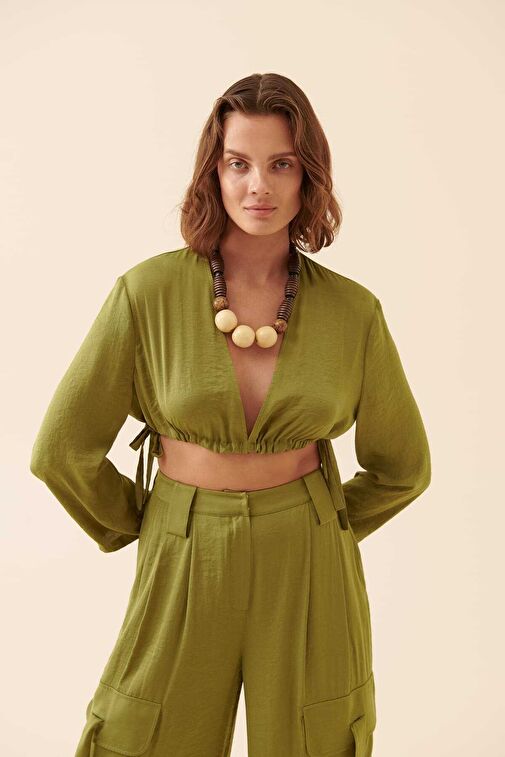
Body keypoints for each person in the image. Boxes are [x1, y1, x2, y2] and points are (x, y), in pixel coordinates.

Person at [30, 72, 431, 757]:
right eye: (238, 164)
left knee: (316, 737)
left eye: (282, 164)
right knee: (141, 733)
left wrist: (324, 527)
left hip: (307, 558)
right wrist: (145, 523)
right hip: (182, 542)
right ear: (211, 174)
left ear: (309, 176)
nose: (258, 187)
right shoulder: (146, 293)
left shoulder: (353, 311)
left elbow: (404, 467)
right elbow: (60, 450)